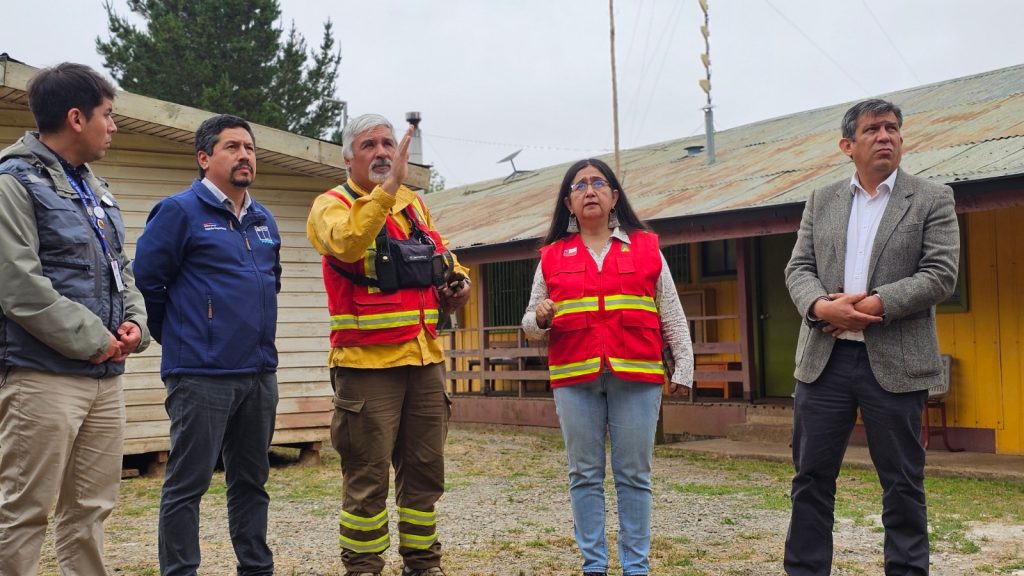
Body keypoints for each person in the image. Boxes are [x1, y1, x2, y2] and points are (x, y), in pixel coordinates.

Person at [784, 99, 960, 576]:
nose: (885, 136)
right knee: (810, 478)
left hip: (897, 362)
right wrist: (821, 307)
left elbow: (940, 274)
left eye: (892, 128)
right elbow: (799, 268)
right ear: (848, 145)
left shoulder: (932, 198)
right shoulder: (821, 200)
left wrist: (874, 305)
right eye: (873, 129)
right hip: (825, 360)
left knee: (902, 482)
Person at [0, 62, 150, 575]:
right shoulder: (13, 182)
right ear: (76, 118)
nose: (114, 126)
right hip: (41, 376)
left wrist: (135, 324)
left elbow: (121, 268)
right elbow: (17, 285)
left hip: (105, 378)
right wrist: (93, 338)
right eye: (107, 115)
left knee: (90, 511)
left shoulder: (96, 189)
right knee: (24, 511)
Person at [306, 114, 470, 576]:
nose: (381, 152)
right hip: (366, 367)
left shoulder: (414, 206)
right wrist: (387, 190)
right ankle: (362, 567)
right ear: (348, 158)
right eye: (369, 145)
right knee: (367, 476)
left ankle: (423, 564)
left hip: (424, 359)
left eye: (388, 143)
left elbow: (442, 255)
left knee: (425, 471)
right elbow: (348, 243)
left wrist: (459, 283)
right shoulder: (330, 205)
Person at [521, 158, 694, 576]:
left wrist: (684, 367)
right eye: (579, 185)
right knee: (584, 474)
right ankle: (594, 566)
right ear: (569, 203)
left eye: (599, 183)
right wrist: (540, 318)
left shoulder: (646, 247)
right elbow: (530, 325)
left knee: (634, 475)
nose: (590, 190)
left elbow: (671, 311)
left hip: (636, 377)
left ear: (614, 196)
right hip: (574, 379)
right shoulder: (552, 256)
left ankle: (636, 567)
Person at [133, 114, 282, 576]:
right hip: (201, 375)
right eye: (232, 147)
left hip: (259, 373)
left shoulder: (263, 219)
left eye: (249, 148)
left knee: (252, 482)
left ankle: (256, 568)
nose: (244, 155)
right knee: (188, 485)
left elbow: (271, 282)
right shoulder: (179, 212)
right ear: (204, 158)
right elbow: (147, 283)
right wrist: (186, 336)